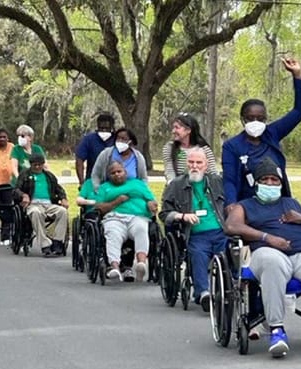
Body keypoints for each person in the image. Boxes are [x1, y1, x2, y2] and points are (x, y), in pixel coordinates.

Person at [224, 157, 301, 358]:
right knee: (272, 261)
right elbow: (231, 226)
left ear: (281, 183)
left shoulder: (291, 203)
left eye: (275, 180)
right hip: (267, 253)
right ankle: (276, 329)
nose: (270, 184)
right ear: (256, 184)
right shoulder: (245, 206)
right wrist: (267, 237)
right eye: (264, 180)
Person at [222, 57, 301, 209]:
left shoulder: (272, 133)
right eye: (250, 118)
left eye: (260, 118)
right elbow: (229, 180)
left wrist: (297, 76)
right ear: (243, 119)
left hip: (278, 204)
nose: (255, 122)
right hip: (248, 206)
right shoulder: (231, 146)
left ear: (265, 119)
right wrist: (231, 204)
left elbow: (300, 110)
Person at [159, 148, 227, 311]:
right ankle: (203, 293)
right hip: (196, 234)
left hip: (221, 231)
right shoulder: (176, 185)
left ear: (206, 165)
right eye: (191, 162)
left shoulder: (217, 182)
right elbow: (164, 214)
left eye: (198, 162)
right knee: (198, 254)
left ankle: (226, 290)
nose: (194, 166)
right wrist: (182, 216)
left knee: (230, 252)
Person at [94, 161, 158, 282]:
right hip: (114, 217)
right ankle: (115, 268)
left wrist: (151, 204)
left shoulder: (138, 184)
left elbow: (153, 201)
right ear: (108, 175)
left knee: (141, 229)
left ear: (125, 172)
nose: (117, 174)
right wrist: (116, 202)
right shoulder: (105, 188)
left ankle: (141, 263)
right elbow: (100, 208)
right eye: (113, 173)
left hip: (137, 216)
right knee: (112, 234)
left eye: (119, 171)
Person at [14, 153, 69, 257]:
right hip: (33, 204)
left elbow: (59, 188)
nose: (38, 167)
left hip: (49, 204)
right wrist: (23, 195)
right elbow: (16, 190)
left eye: (40, 164)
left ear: (43, 164)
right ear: (31, 165)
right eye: (35, 165)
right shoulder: (25, 175)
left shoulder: (49, 176)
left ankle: (57, 242)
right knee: (36, 212)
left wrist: (63, 198)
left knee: (62, 211)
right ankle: (45, 245)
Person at [162, 113, 218, 184]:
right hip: (177, 189)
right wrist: (174, 188)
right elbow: (169, 172)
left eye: (177, 128)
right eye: (173, 127)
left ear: (188, 130)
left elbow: (213, 173)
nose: (173, 131)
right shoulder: (169, 148)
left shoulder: (204, 149)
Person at [75, 113, 116, 186]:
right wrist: (82, 182)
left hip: (114, 181)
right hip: (93, 181)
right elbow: (79, 160)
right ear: (97, 126)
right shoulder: (89, 139)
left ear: (112, 127)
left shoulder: (117, 139)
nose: (104, 131)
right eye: (101, 128)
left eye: (107, 129)